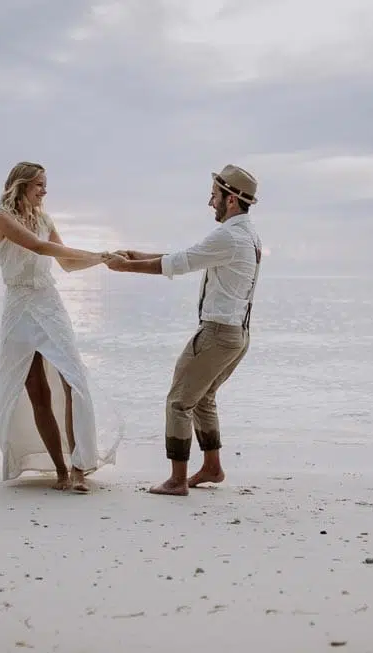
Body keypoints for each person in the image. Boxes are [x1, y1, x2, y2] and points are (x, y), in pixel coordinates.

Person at [107, 164, 262, 496]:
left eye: (214, 196)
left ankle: (177, 480)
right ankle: (212, 468)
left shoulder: (229, 236)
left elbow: (181, 263)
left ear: (231, 200)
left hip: (218, 333)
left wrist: (126, 268)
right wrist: (139, 256)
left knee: (178, 402)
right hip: (238, 334)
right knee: (203, 398)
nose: (210, 203)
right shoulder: (247, 234)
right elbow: (190, 257)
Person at [0, 161, 123, 493]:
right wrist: (97, 251)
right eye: (39, 184)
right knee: (37, 390)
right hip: (18, 307)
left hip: (48, 304)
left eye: (45, 184)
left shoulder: (46, 220)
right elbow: (38, 247)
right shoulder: (0, 217)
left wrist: (101, 259)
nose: (45, 190)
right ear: (21, 184)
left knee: (73, 381)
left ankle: (80, 467)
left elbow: (65, 262)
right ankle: (61, 471)